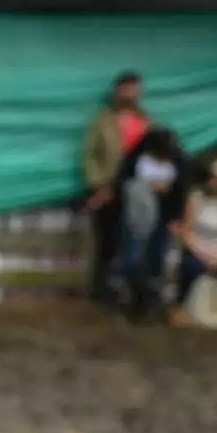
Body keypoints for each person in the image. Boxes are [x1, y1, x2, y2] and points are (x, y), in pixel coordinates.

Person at [83, 71, 151, 303]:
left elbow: (158, 155)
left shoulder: (147, 122)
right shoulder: (102, 121)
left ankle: (134, 292)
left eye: (135, 89)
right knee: (107, 242)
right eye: (126, 88)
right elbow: (89, 156)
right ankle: (102, 292)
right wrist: (99, 184)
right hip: (108, 191)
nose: (131, 93)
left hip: (140, 191)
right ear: (117, 91)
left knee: (136, 242)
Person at [113, 127, 189, 321]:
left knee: (157, 260)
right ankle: (135, 294)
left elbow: (182, 190)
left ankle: (150, 301)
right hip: (138, 216)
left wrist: (176, 216)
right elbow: (122, 182)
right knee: (133, 258)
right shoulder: (137, 159)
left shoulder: (178, 162)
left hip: (164, 217)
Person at [169, 156, 217, 326]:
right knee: (190, 267)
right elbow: (187, 232)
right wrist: (202, 253)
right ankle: (179, 307)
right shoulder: (197, 199)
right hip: (198, 247)